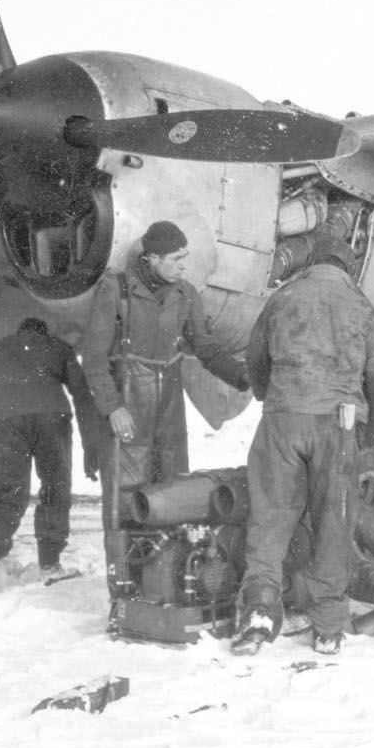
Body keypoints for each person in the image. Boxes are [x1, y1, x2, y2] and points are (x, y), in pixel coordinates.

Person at [232, 235, 374, 657]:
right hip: (337, 426)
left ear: (313, 262)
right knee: (333, 527)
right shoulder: (361, 306)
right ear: (347, 267)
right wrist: (367, 433)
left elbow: (255, 359)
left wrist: (273, 399)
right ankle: (328, 630)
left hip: (283, 420)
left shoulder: (284, 297)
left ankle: (259, 615)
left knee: (268, 523)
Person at [82, 220, 250, 602]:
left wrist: (242, 377)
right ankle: (123, 596)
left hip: (169, 410)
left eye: (184, 258)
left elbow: (205, 348)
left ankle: (168, 587)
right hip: (129, 405)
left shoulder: (185, 293)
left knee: (173, 495)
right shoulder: (116, 290)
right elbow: (93, 358)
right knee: (125, 501)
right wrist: (112, 409)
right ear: (152, 258)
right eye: (176, 259)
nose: (182, 266)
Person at [0, 317, 104, 604]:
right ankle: (50, 564)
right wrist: (91, 451)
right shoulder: (59, 348)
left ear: (19, 332)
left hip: (9, 420)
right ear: (44, 332)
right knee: (55, 490)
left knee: (6, 494)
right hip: (53, 419)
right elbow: (83, 397)